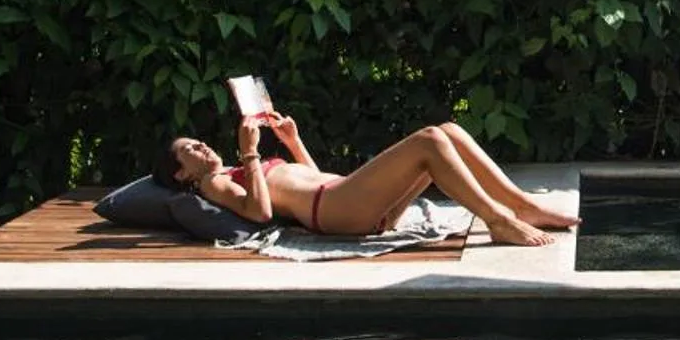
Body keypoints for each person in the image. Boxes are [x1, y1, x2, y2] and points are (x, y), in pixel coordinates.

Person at [158, 95, 577, 249]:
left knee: (447, 130)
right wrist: (250, 155)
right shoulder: (214, 184)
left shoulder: (233, 170)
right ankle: (499, 220)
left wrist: (291, 141)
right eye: (190, 150)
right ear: (182, 175)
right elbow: (260, 214)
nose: (201, 145)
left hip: (340, 197)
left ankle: (521, 205)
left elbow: (313, 177)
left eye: (197, 140)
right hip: (335, 213)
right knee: (430, 139)